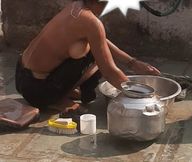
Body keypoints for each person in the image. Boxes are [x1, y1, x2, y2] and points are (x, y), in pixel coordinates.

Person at [15, 0, 160, 110]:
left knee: (94, 48)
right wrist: (145, 96)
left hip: (21, 77)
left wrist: (133, 63)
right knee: (96, 56)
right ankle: (56, 100)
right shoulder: (92, 23)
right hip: (38, 92)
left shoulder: (76, 7)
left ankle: (66, 91)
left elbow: (101, 40)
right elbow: (109, 72)